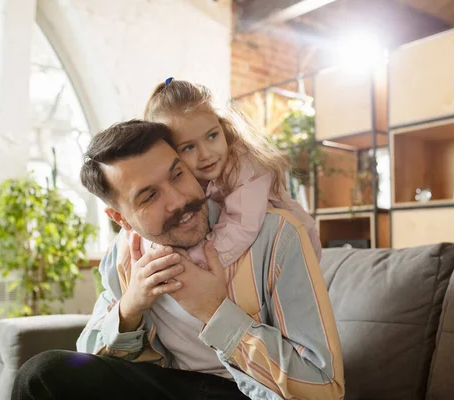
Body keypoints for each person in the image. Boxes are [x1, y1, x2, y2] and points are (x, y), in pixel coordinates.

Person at [11, 120, 344, 400]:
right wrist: (129, 309)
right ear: (121, 218)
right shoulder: (126, 254)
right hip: (171, 386)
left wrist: (215, 311)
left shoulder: (276, 235)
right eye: (149, 196)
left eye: (177, 175)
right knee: (41, 375)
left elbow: (325, 387)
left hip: (248, 394)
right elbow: (89, 356)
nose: (180, 200)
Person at [128, 77, 321, 268]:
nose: (206, 154)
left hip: (297, 252)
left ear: (222, 126)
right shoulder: (185, 180)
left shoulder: (244, 164)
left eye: (212, 136)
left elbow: (241, 225)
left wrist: (197, 261)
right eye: (188, 147)